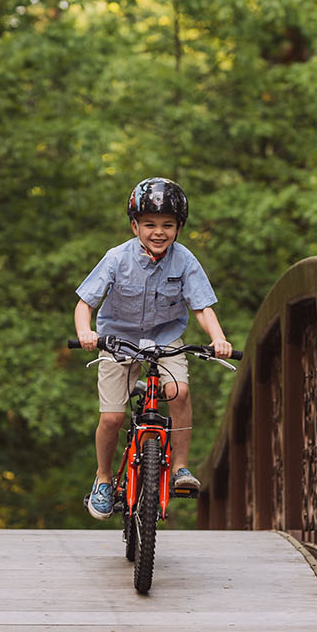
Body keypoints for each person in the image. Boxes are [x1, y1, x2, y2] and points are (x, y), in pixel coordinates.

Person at [71, 177, 232, 520]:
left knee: (180, 392)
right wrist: (85, 332)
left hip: (165, 337)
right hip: (118, 338)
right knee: (112, 417)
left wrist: (218, 338)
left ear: (179, 228)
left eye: (168, 225)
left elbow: (202, 307)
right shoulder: (116, 258)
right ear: (134, 226)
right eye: (149, 224)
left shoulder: (185, 261)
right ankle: (102, 478)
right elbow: (85, 302)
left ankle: (180, 469)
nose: (158, 232)